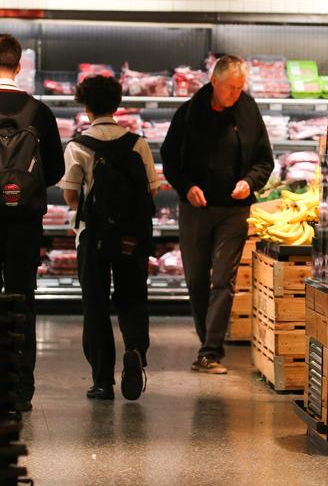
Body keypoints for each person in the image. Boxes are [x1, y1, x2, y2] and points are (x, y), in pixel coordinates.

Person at [161, 55, 273, 374]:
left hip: (235, 209)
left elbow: (265, 160)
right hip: (195, 208)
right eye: (229, 88)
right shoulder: (188, 114)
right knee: (197, 279)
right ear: (214, 82)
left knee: (223, 279)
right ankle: (204, 340)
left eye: (240, 88)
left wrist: (248, 182)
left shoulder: (249, 111)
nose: (234, 95)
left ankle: (211, 350)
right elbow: (169, 160)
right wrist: (187, 186)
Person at [59, 75, 159, 401]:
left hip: (94, 237)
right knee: (132, 298)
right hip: (132, 236)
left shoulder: (77, 146)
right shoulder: (138, 143)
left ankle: (102, 381)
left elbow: (72, 197)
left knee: (96, 305)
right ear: (117, 105)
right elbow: (152, 190)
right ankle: (134, 349)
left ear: (85, 106)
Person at [0, 34, 65, 412]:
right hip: (25, 221)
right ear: (20, 66)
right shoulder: (40, 112)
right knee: (22, 296)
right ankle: (21, 388)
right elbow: (54, 170)